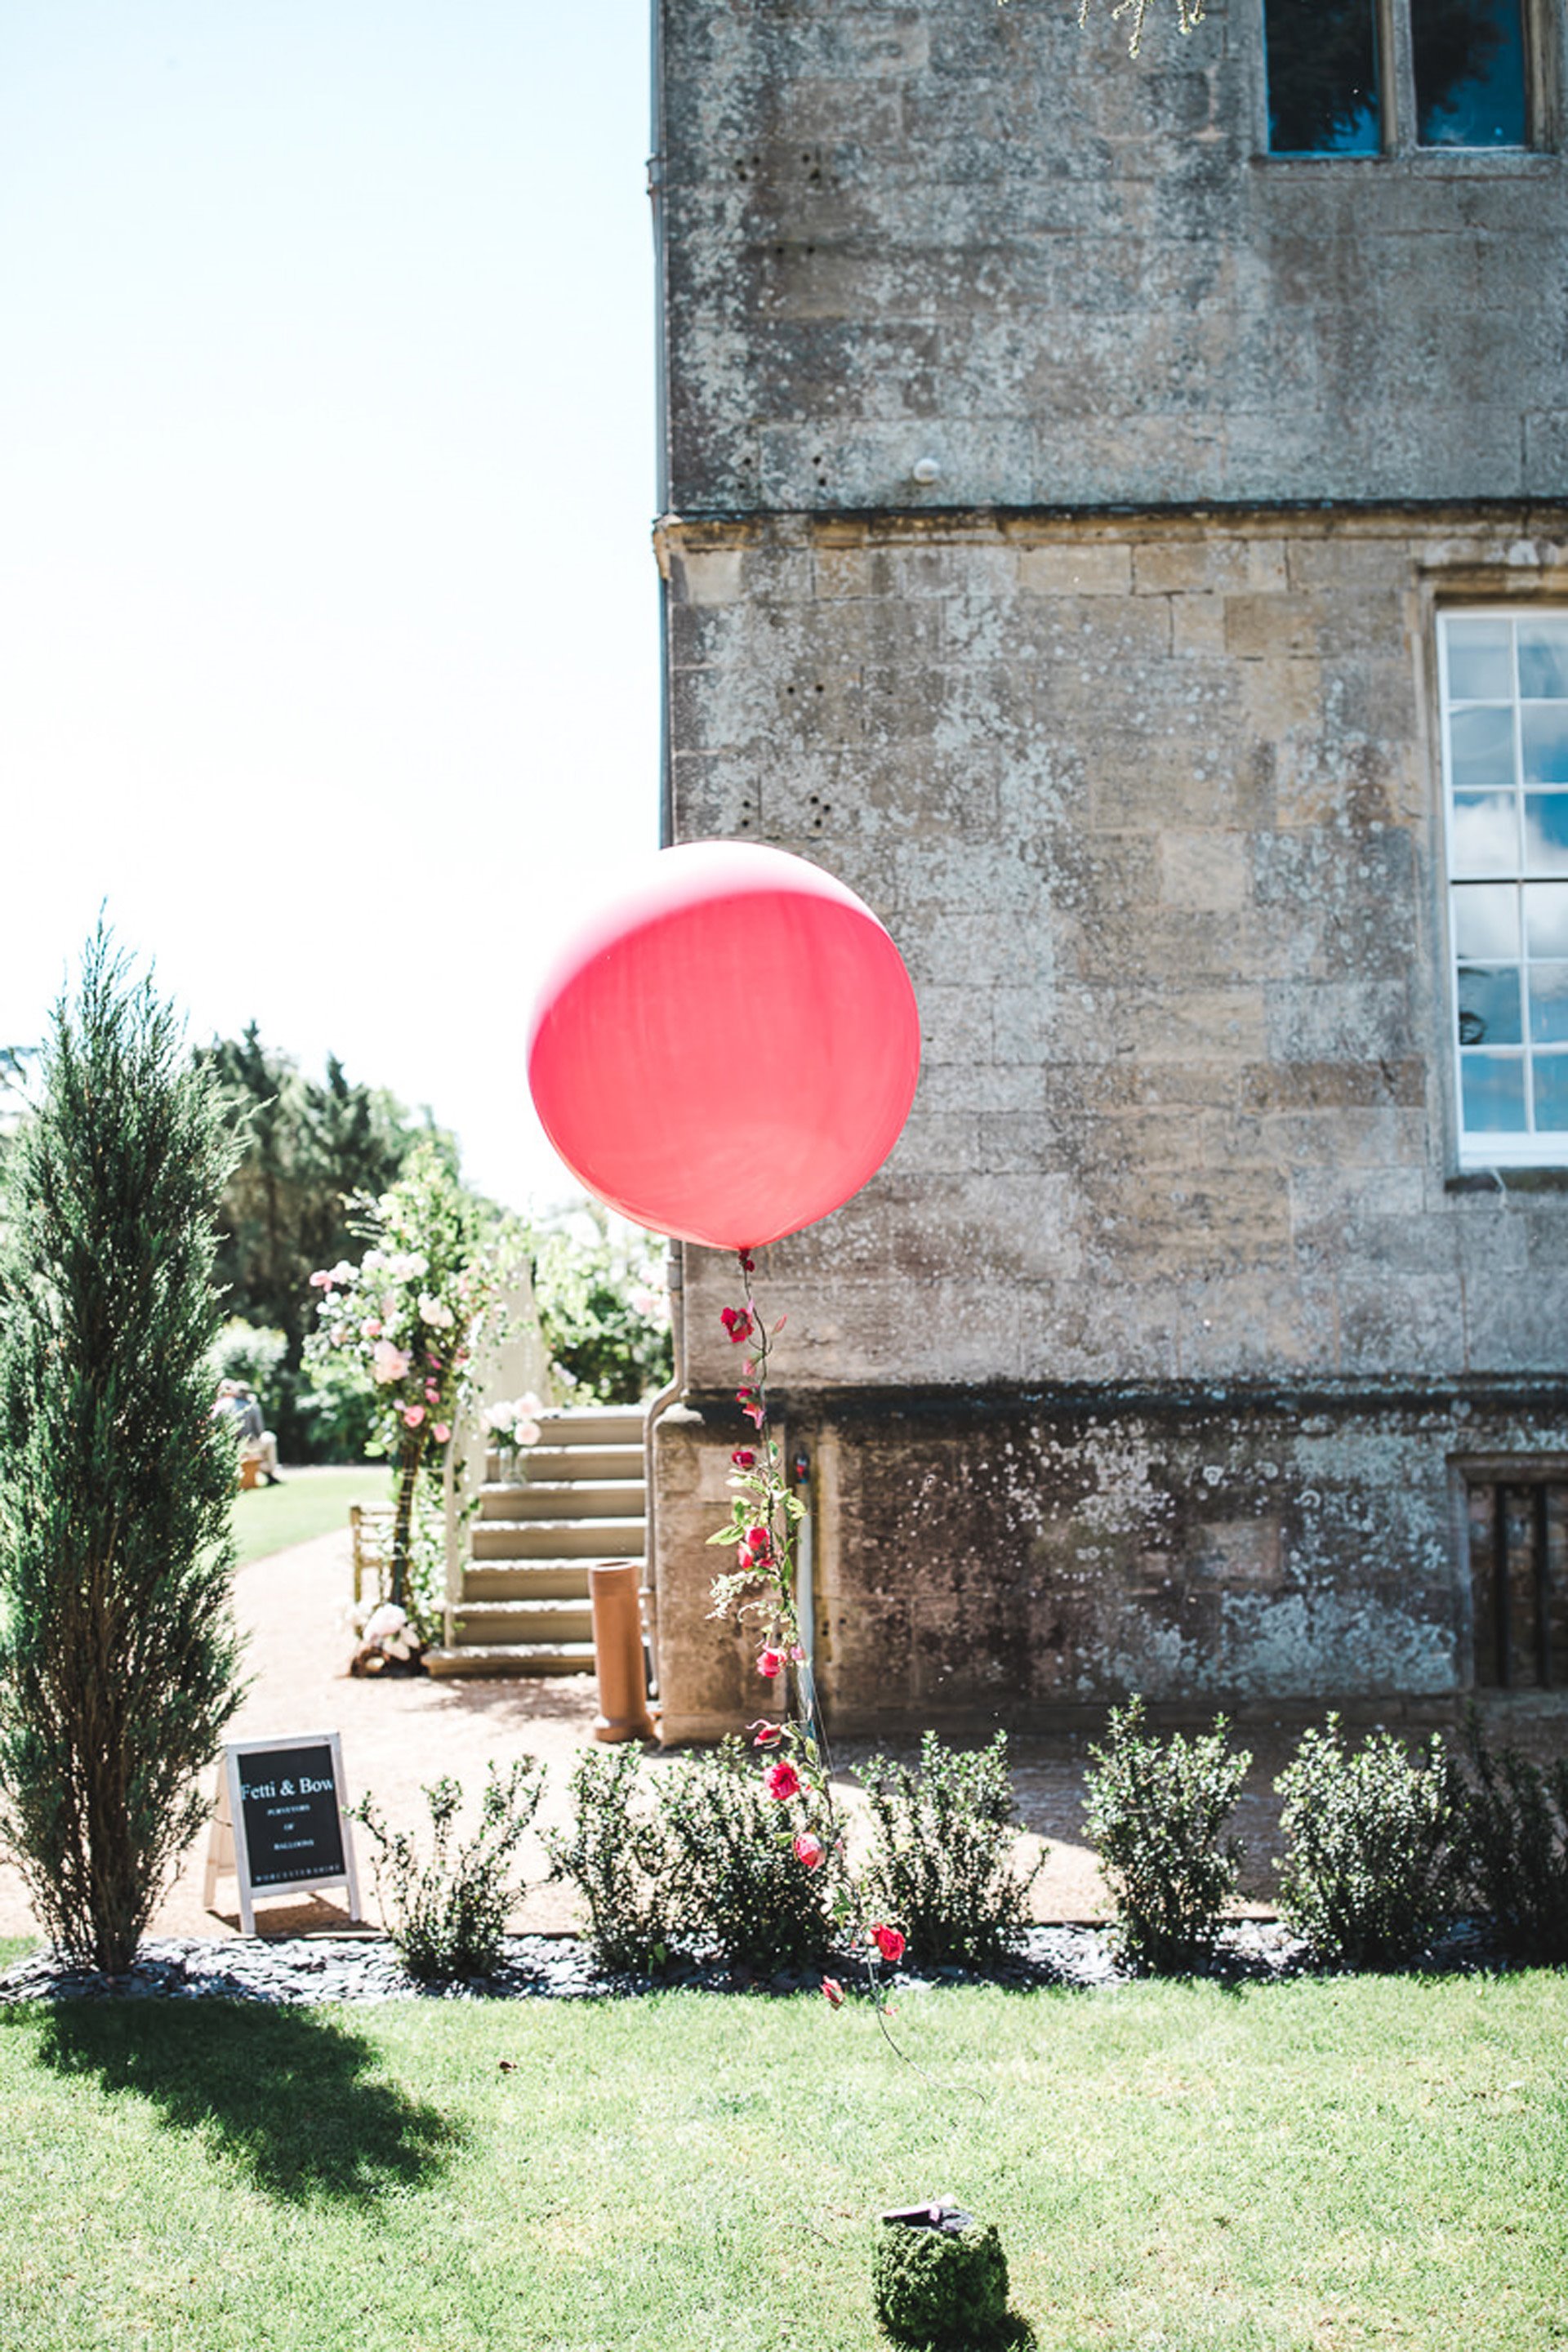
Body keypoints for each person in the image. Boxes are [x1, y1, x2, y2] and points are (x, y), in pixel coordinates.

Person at [234, 1383, 283, 1486]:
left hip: (232, 1444)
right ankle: (270, 1471)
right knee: (270, 1439)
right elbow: (259, 1431)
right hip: (247, 1443)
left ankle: (266, 1470)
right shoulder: (252, 1406)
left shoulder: (226, 1405)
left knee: (259, 1451)